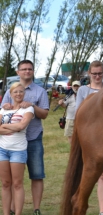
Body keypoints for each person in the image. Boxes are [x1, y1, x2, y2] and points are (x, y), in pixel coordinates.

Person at [0, 60, 49, 215]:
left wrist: (32, 106)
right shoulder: (10, 91)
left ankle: (36, 209)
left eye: (30, 69)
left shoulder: (40, 91)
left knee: (36, 174)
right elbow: (5, 113)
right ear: (18, 71)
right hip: (10, 140)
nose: (27, 71)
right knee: (12, 180)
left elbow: (45, 114)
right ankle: (13, 209)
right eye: (24, 69)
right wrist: (5, 107)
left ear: (33, 71)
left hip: (33, 137)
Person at [75, 61, 103, 215]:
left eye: (100, 73)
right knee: (86, 171)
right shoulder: (83, 90)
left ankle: (102, 211)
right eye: (94, 73)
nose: (97, 76)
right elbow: (78, 113)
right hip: (89, 135)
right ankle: (80, 202)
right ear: (89, 74)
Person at [0, 82, 34, 215]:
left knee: (17, 184)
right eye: (15, 92)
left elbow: (22, 126)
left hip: (18, 151)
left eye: (21, 91)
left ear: (24, 93)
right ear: (10, 94)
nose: (18, 94)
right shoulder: (3, 109)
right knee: (5, 183)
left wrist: (4, 127)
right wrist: (13, 127)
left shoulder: (28, 109)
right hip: (2, 149)